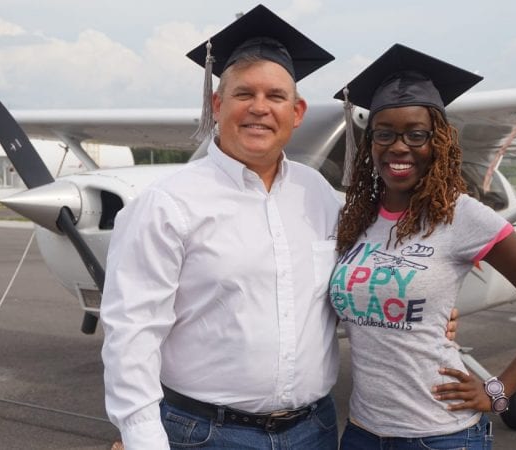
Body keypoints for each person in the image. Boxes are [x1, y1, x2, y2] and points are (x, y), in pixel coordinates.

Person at [100, 5, 341, 449]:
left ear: (298, 110)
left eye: (275, 96)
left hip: (316, 430)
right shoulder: (167, 203)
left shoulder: (319, 195)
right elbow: (132, 333)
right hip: (206, 434)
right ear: (217, 103)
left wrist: (415, 305)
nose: (260, 109)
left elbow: (349, 286)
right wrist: (141, 437)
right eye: (244, 94)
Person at [330, 44, 516, 449]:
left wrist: (498, 392)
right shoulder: (355, 219)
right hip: (362, 432)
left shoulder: (463, 217)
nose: (399, 146)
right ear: (370, 142)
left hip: (441, 436)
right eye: (385, 133)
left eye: (416, 134)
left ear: (440, 141)